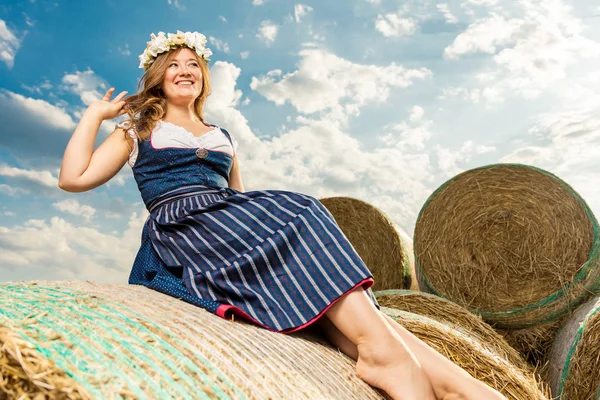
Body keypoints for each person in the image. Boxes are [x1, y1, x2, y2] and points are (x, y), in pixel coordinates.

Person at [59, 31, 506, 400]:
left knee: (329, 302)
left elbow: (238, 197)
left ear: (203, 77)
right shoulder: (138, 128)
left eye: (193, 64)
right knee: (303, 210)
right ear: (158, 75)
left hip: (229, 228)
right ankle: (396, 362)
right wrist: (94, 116)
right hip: (185, 232)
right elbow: (72, 178)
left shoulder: (222, 136)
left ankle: (453, 382)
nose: (184, 71)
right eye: (173, 64)